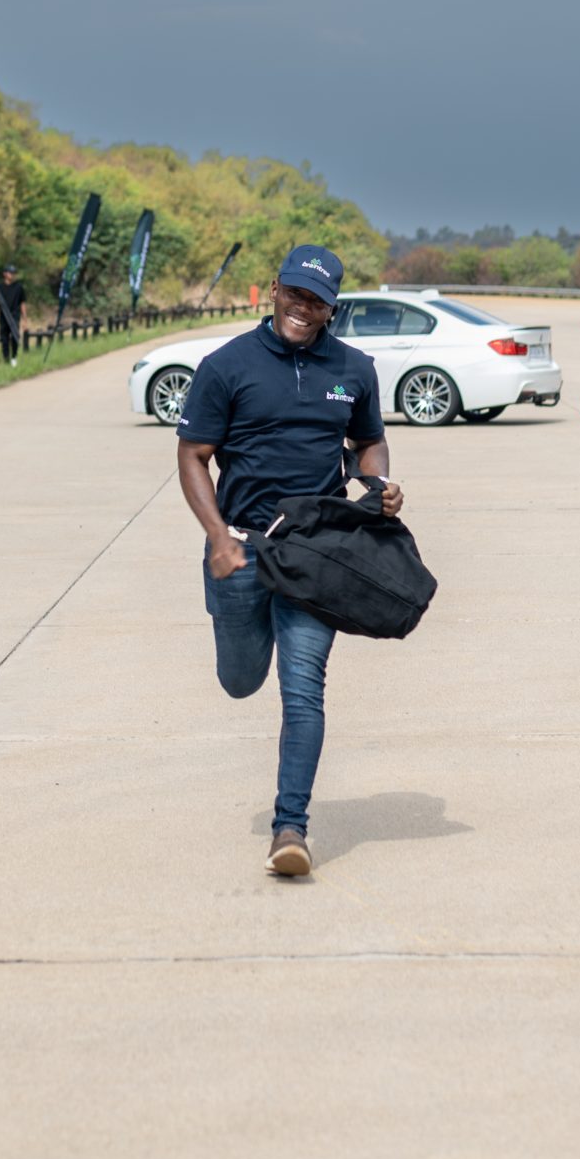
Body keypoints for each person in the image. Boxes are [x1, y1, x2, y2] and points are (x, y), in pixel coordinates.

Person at [176, 244, 402, 877]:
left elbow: (369, 441)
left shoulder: (354, 368)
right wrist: (219, 537)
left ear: (334, 307)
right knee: (242, 680)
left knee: (303, 690)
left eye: (319, 302)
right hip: (241, 548)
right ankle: (246, 641)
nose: (306, 310)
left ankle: (290, 828)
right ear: (275, 290)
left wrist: (375, 484)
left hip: (316, 550)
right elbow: (193, 455)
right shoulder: (226, 367)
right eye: (297, 295)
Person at [0, 264, 27, 364]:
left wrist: (25, 319)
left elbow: (22, 303)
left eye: (14, 273)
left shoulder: (19, 287)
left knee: (15, 336)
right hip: (3, 316)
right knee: (4, 339)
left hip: (15, 315)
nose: (13, 275)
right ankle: (6, 359)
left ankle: (14, 357)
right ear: (5, 274)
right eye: (11, 273)